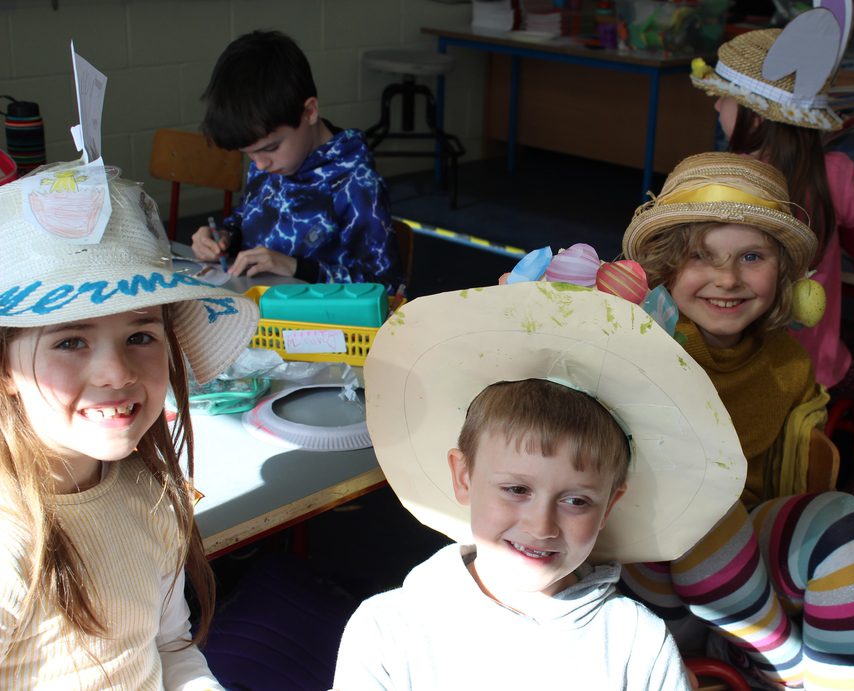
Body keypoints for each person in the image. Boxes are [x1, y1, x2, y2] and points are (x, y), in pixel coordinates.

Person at [332, 281, 751, 690]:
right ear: (463, 477)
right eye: (517, 490)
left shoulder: (637, 644)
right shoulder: (389, 630)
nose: (541, 526)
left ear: (609, 506)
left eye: (576, 500)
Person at [621, 152, 854, 691]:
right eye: (700, 255)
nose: (727, 278)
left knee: (850, 522)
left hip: (744, 579)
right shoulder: (637, 344)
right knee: (703, 504)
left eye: (751, 256)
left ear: (784, 275)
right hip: (646, 575)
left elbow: (784, 485)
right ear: (665, 268)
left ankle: (817, 679)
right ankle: (785, 670)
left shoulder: (788, 363)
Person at [0, 161, 259, 688]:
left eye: (140, 336)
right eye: (70, 341)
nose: (117, 372)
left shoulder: (151, 494)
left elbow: (168, 646)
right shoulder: (10, 545)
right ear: (6, 368)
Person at [691, 27, 854, 506]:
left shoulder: (723, 180)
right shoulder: (838, 172)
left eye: (723, 97)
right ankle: (845, 508)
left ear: (755, 115)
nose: (716, 106)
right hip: (817, 366)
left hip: (737, 367)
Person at [191, 30, 402, 291]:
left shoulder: (355, 184)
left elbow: (388, 289)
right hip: (255, 302)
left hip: (317, 314)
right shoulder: (273, 160)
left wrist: (297, 268)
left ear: (310, 112)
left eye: (270, 148)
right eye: (249, 153)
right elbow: (246, 220)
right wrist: (223, 239)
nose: (260, 164)